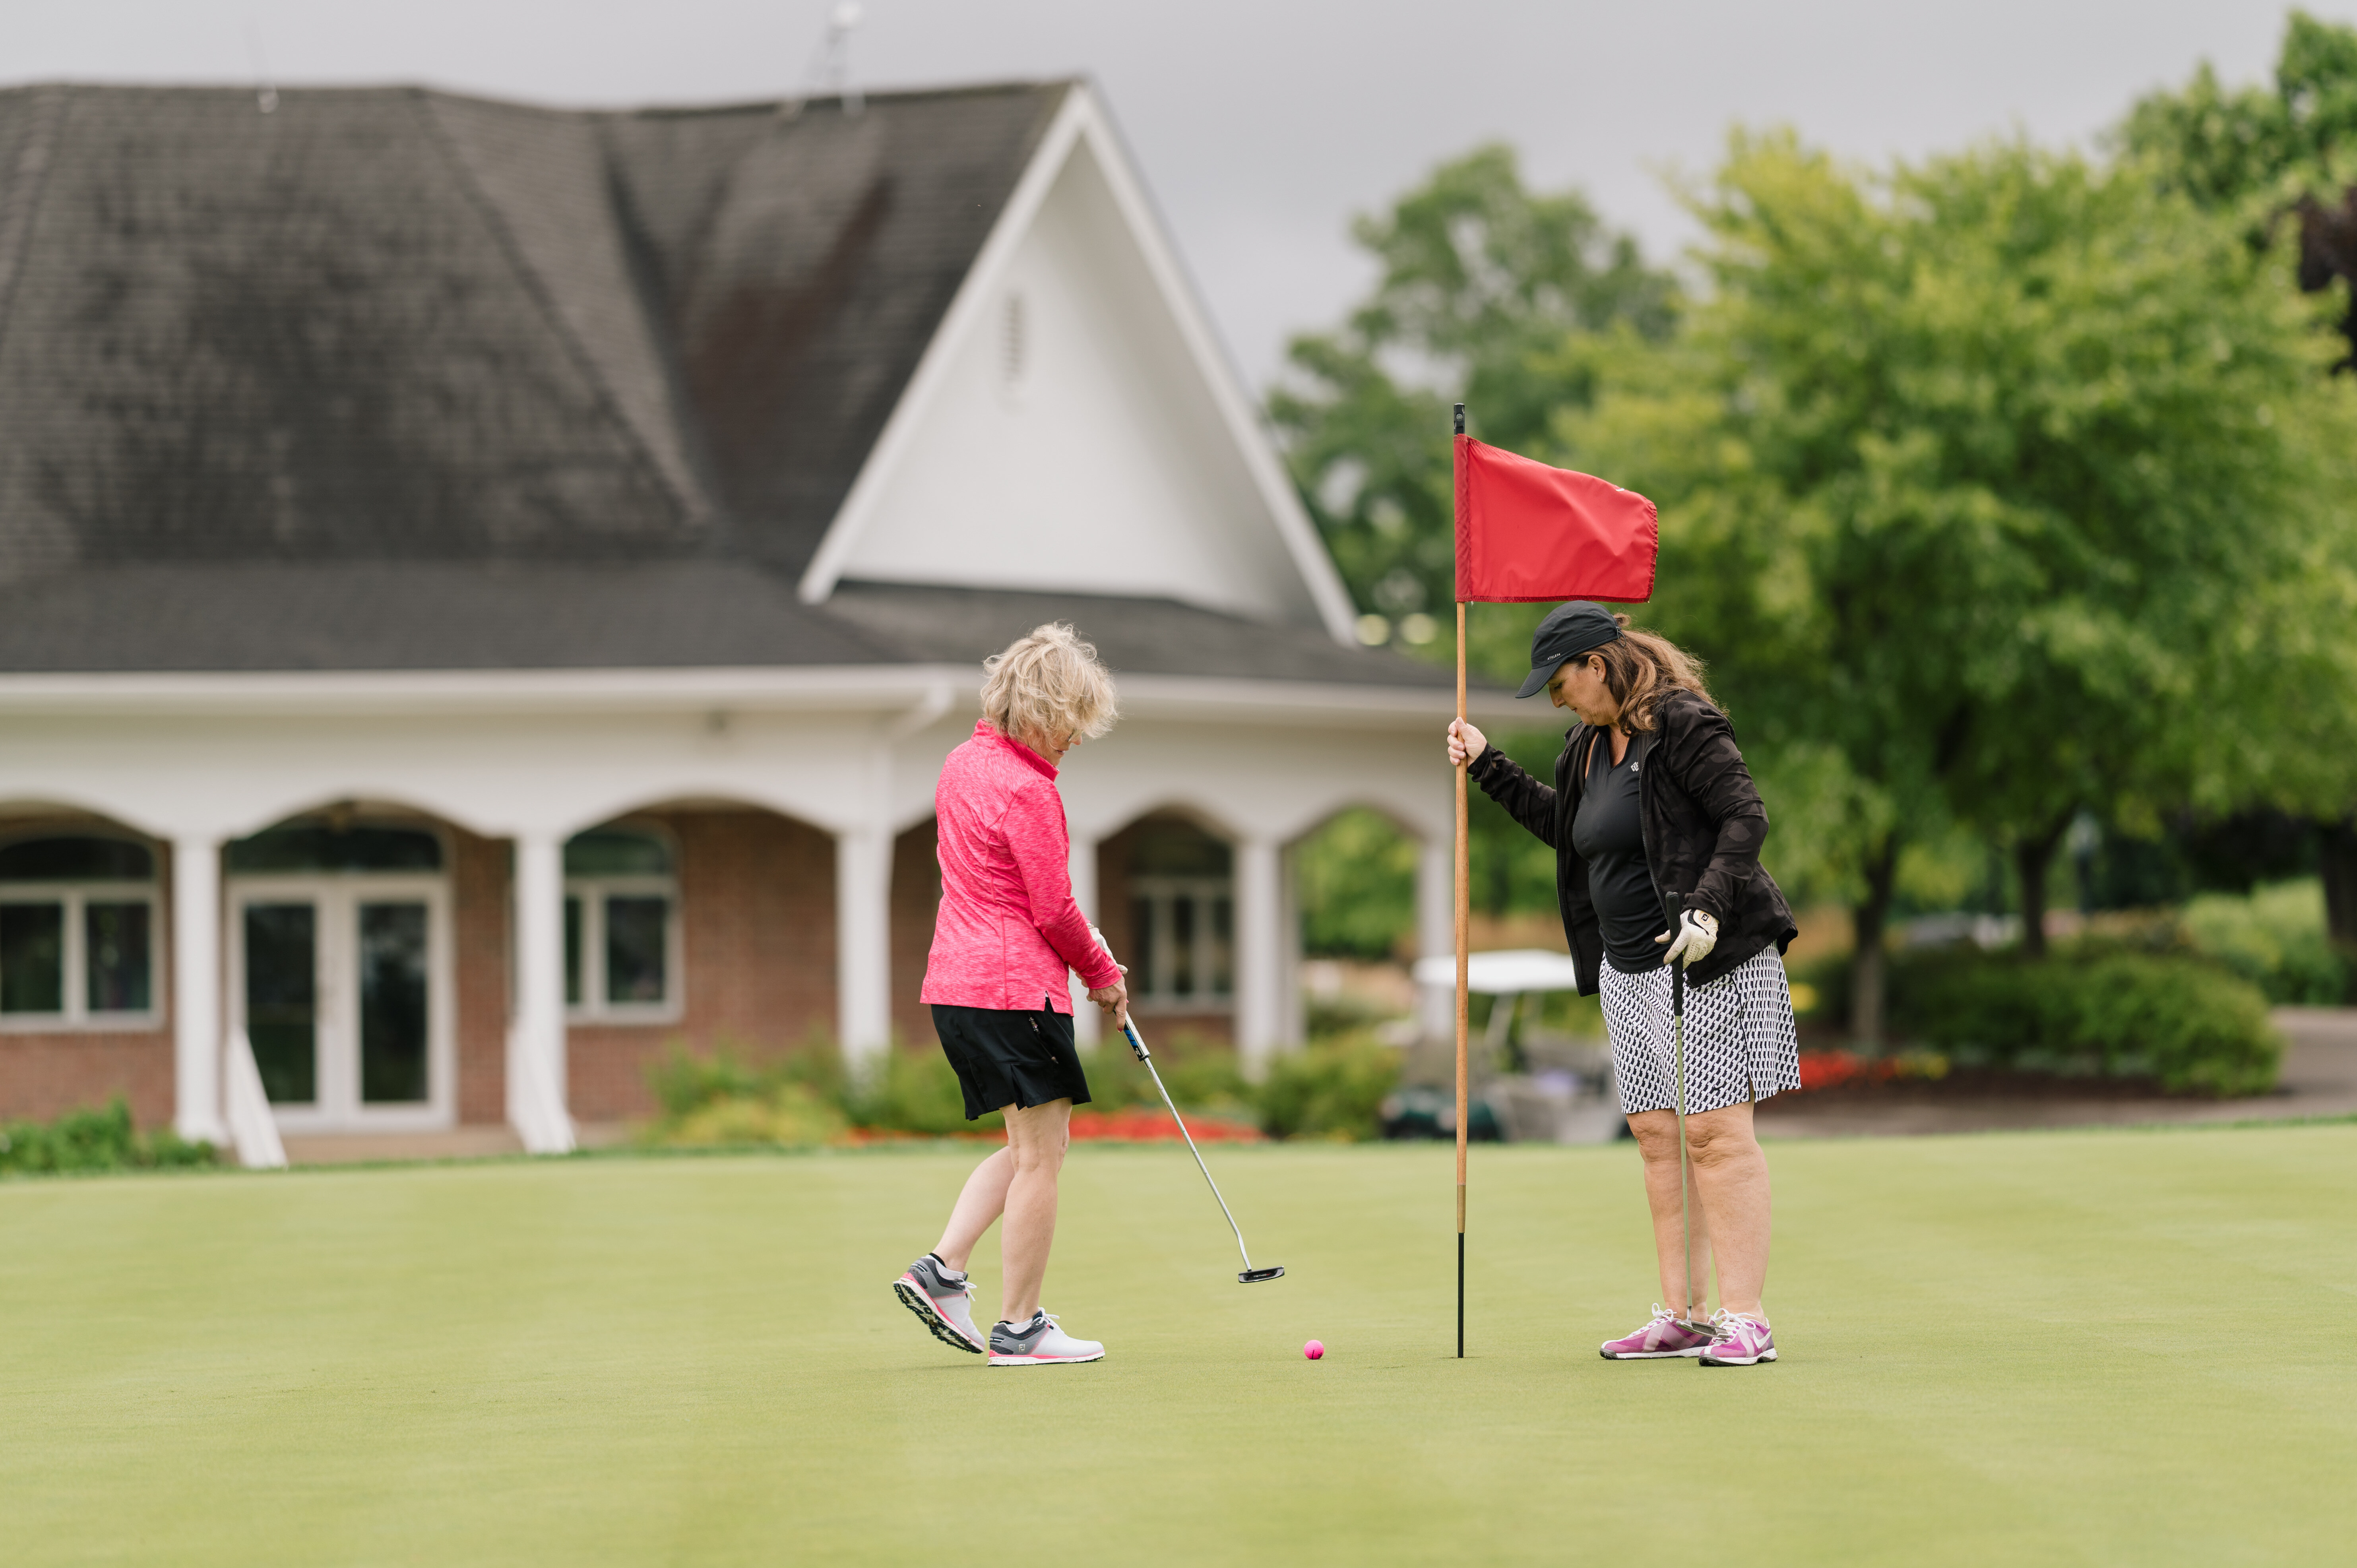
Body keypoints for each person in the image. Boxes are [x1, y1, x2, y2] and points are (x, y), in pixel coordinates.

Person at [1446, 602, 1799, 1368]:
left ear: (1598, 665)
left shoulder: (1682, 724)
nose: (1557, 700)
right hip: (1627, 969)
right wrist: (1486, 764)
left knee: (1713, 1135)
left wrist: (1707, 906)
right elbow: (1569, 832)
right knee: (1656, 1139)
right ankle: (1684, 1315)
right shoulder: (1583, 747)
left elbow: (1744, 818)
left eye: (1560, 683)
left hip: (1709, 955)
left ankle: (1746, 1318)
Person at [891, 623, 1130, 1368]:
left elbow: (1017, 890)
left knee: (1035, 1147)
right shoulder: (1031, 790)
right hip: (1012, 992)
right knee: (1040, 1160)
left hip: (957, 988)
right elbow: (1053, 910)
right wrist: (1103, 973)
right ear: (1044, 710)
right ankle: (1019, 1328)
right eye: (1072, 721)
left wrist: (1086, 954)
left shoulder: (960, 763)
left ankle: (942, 1270)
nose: (1077, 738)